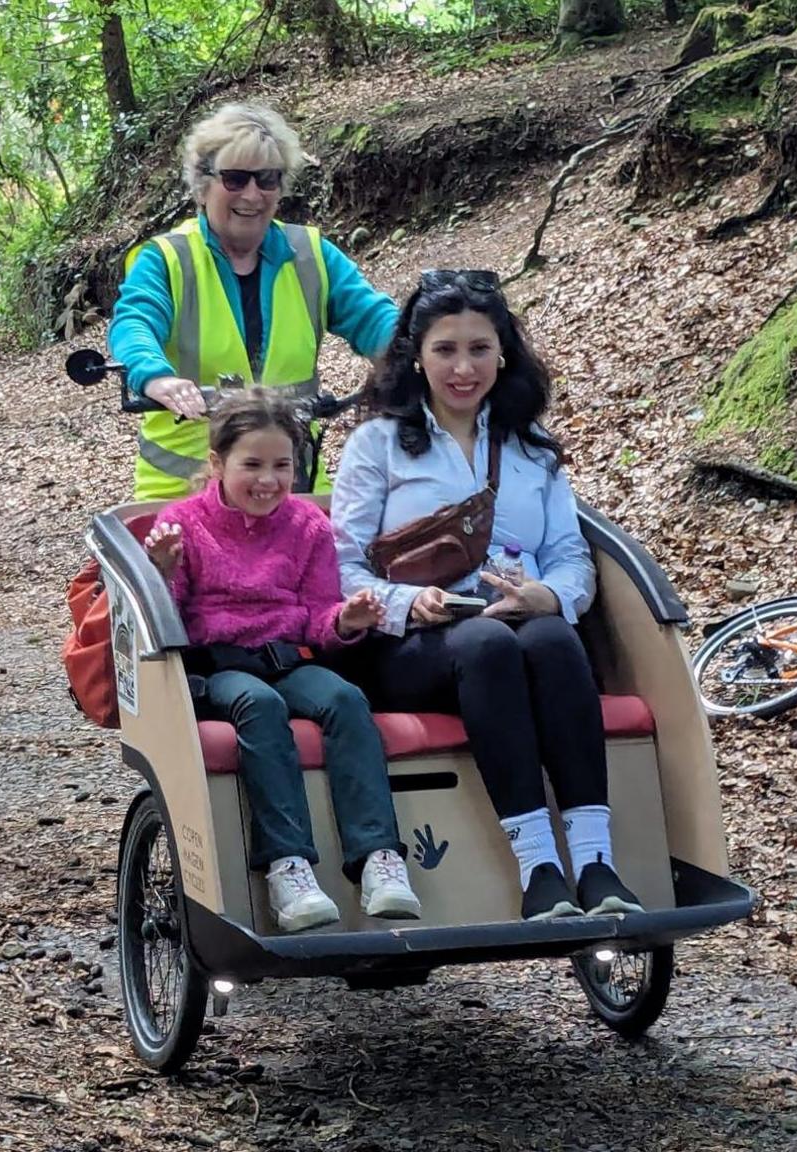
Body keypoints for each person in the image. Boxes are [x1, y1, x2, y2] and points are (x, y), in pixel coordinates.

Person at [329, 270, 642, 923]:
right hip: (411, 648)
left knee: (553, 637)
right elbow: (341, 566)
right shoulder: (377, 445)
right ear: (416, 355)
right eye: (446, 350)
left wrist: (548, 598)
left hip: (518, 630)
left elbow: (569, 556)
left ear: (504, 353)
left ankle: (594, 862)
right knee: (488, 643)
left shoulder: (533, 450)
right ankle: (539, 871)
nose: (463, 368)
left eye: (479, 349)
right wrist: (406, 604)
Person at [144, 399, 421, 933]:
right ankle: (286, 865)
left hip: (291, 657)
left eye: (282, 466)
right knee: (259, 704)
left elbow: (319, 617)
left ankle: (378, 858)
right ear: (218, 462)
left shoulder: (307, 527)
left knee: (344, 699)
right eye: (252, 465)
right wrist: (163, 570)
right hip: (221, 665)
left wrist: (346, 619)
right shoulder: (183, 523)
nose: (268, 481)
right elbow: (167, 617)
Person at [108, 103, 399, 500]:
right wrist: (156, 375)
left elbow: (374, 320)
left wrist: (425, 351)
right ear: (203, 184)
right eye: (235, 178)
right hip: (181, 494)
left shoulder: (312, 254)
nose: (252, 194)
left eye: (267, 179)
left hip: (288, 483)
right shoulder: (167, 258)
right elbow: (134, 322)